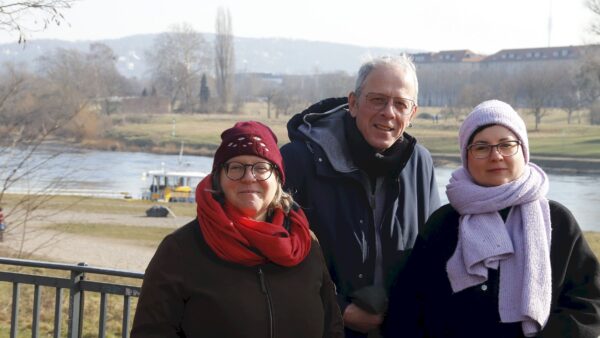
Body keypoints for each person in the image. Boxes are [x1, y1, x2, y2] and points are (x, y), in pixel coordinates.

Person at [384, 100, 600, 337]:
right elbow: (408, 308)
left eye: (507, 145)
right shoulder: (443, 224)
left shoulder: (558, 221)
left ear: (523, 150)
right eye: (481, 147)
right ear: (467, 156)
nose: (496, 156)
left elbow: (588, 305)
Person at [131, 121, 344, 338]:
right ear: (219, 179)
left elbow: (332, 328)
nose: (249, 177)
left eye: (261, 168)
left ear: (278, 179)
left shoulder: (306, 244)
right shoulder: (180, 249)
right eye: (236, 167)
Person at [281, 55, 441, 337]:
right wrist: (338, 308)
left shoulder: (420, 163)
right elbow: (276, 256)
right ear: (353, 103)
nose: (388, 112)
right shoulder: (299, 161)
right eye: (377, 100)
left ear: (412, 113)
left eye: (400, 104)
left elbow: (430, 259)